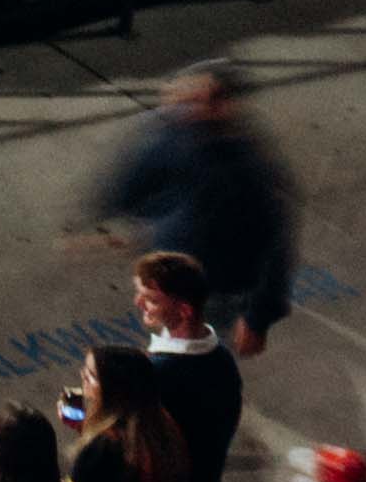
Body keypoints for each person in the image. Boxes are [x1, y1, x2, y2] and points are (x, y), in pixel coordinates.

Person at [86, 70, 295, 338]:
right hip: (181, 282)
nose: (201, 104)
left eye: (214, 98)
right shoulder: (173, 142)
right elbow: (127, 191)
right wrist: (160, 227)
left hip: (217, 289)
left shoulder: (248, 167)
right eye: (197, 97)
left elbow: (274, 241)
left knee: (193, 348)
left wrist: (259, 316)